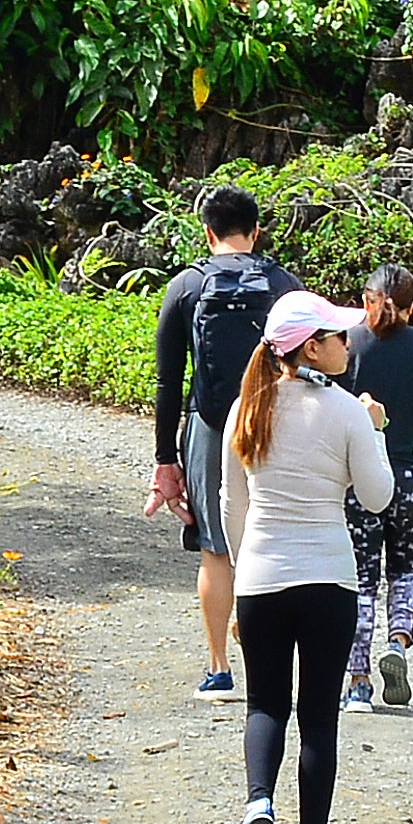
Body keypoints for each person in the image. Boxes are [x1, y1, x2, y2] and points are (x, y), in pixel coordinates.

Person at [215, 290, 396, 824]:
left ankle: (257, 802)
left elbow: (232, 507)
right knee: (318, 718)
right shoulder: (346, 410)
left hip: (261, 578)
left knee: (264, 704)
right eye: (338, 335)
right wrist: (375, 432)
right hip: (328, 578)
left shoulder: (247, 407)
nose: (349, 343)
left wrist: (242, 579)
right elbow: (377, 497)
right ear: (311, 347)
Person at [149, 185, 286, 699]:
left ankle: (219, 668)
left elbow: (167, 381)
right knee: (269, 538)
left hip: (208, 426)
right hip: (273, 423)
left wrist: (166, 460)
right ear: (255, 232)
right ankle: (268, 662)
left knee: (216, 549)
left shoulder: (187, 286)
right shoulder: (281, 284)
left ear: (207, 233)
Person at [337, 265, 413, 710]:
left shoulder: (345, 343)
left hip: (361, 479)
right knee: (408, 572)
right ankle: (398, 643)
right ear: (412, 305)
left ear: (366, 299)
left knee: (360, 580)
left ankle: (359, 682)